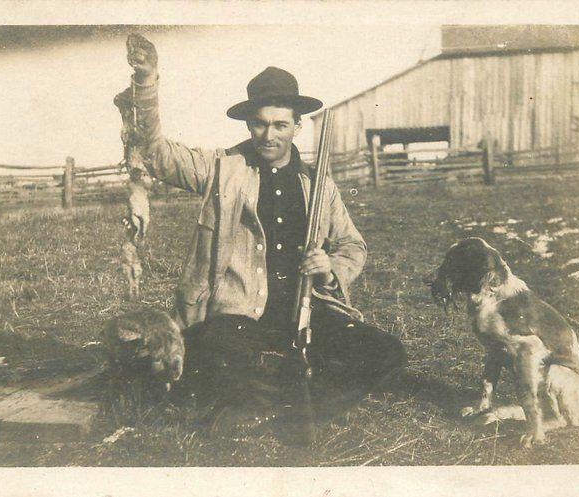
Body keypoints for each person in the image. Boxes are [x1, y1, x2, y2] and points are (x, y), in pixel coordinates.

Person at [114, 34, 406, 437]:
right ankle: (285, 392)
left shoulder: (316, 184)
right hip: (237, 318)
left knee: (386, 352)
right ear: (249, 124)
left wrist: (330, 268)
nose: (269, 135)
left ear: (297, 126)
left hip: (305, 311)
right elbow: (157, 154)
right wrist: (146, 82)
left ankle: (276, 407)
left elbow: (353, 246)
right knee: (216, 346)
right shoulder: (222, 168)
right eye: (260, 124)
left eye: (280, 125)